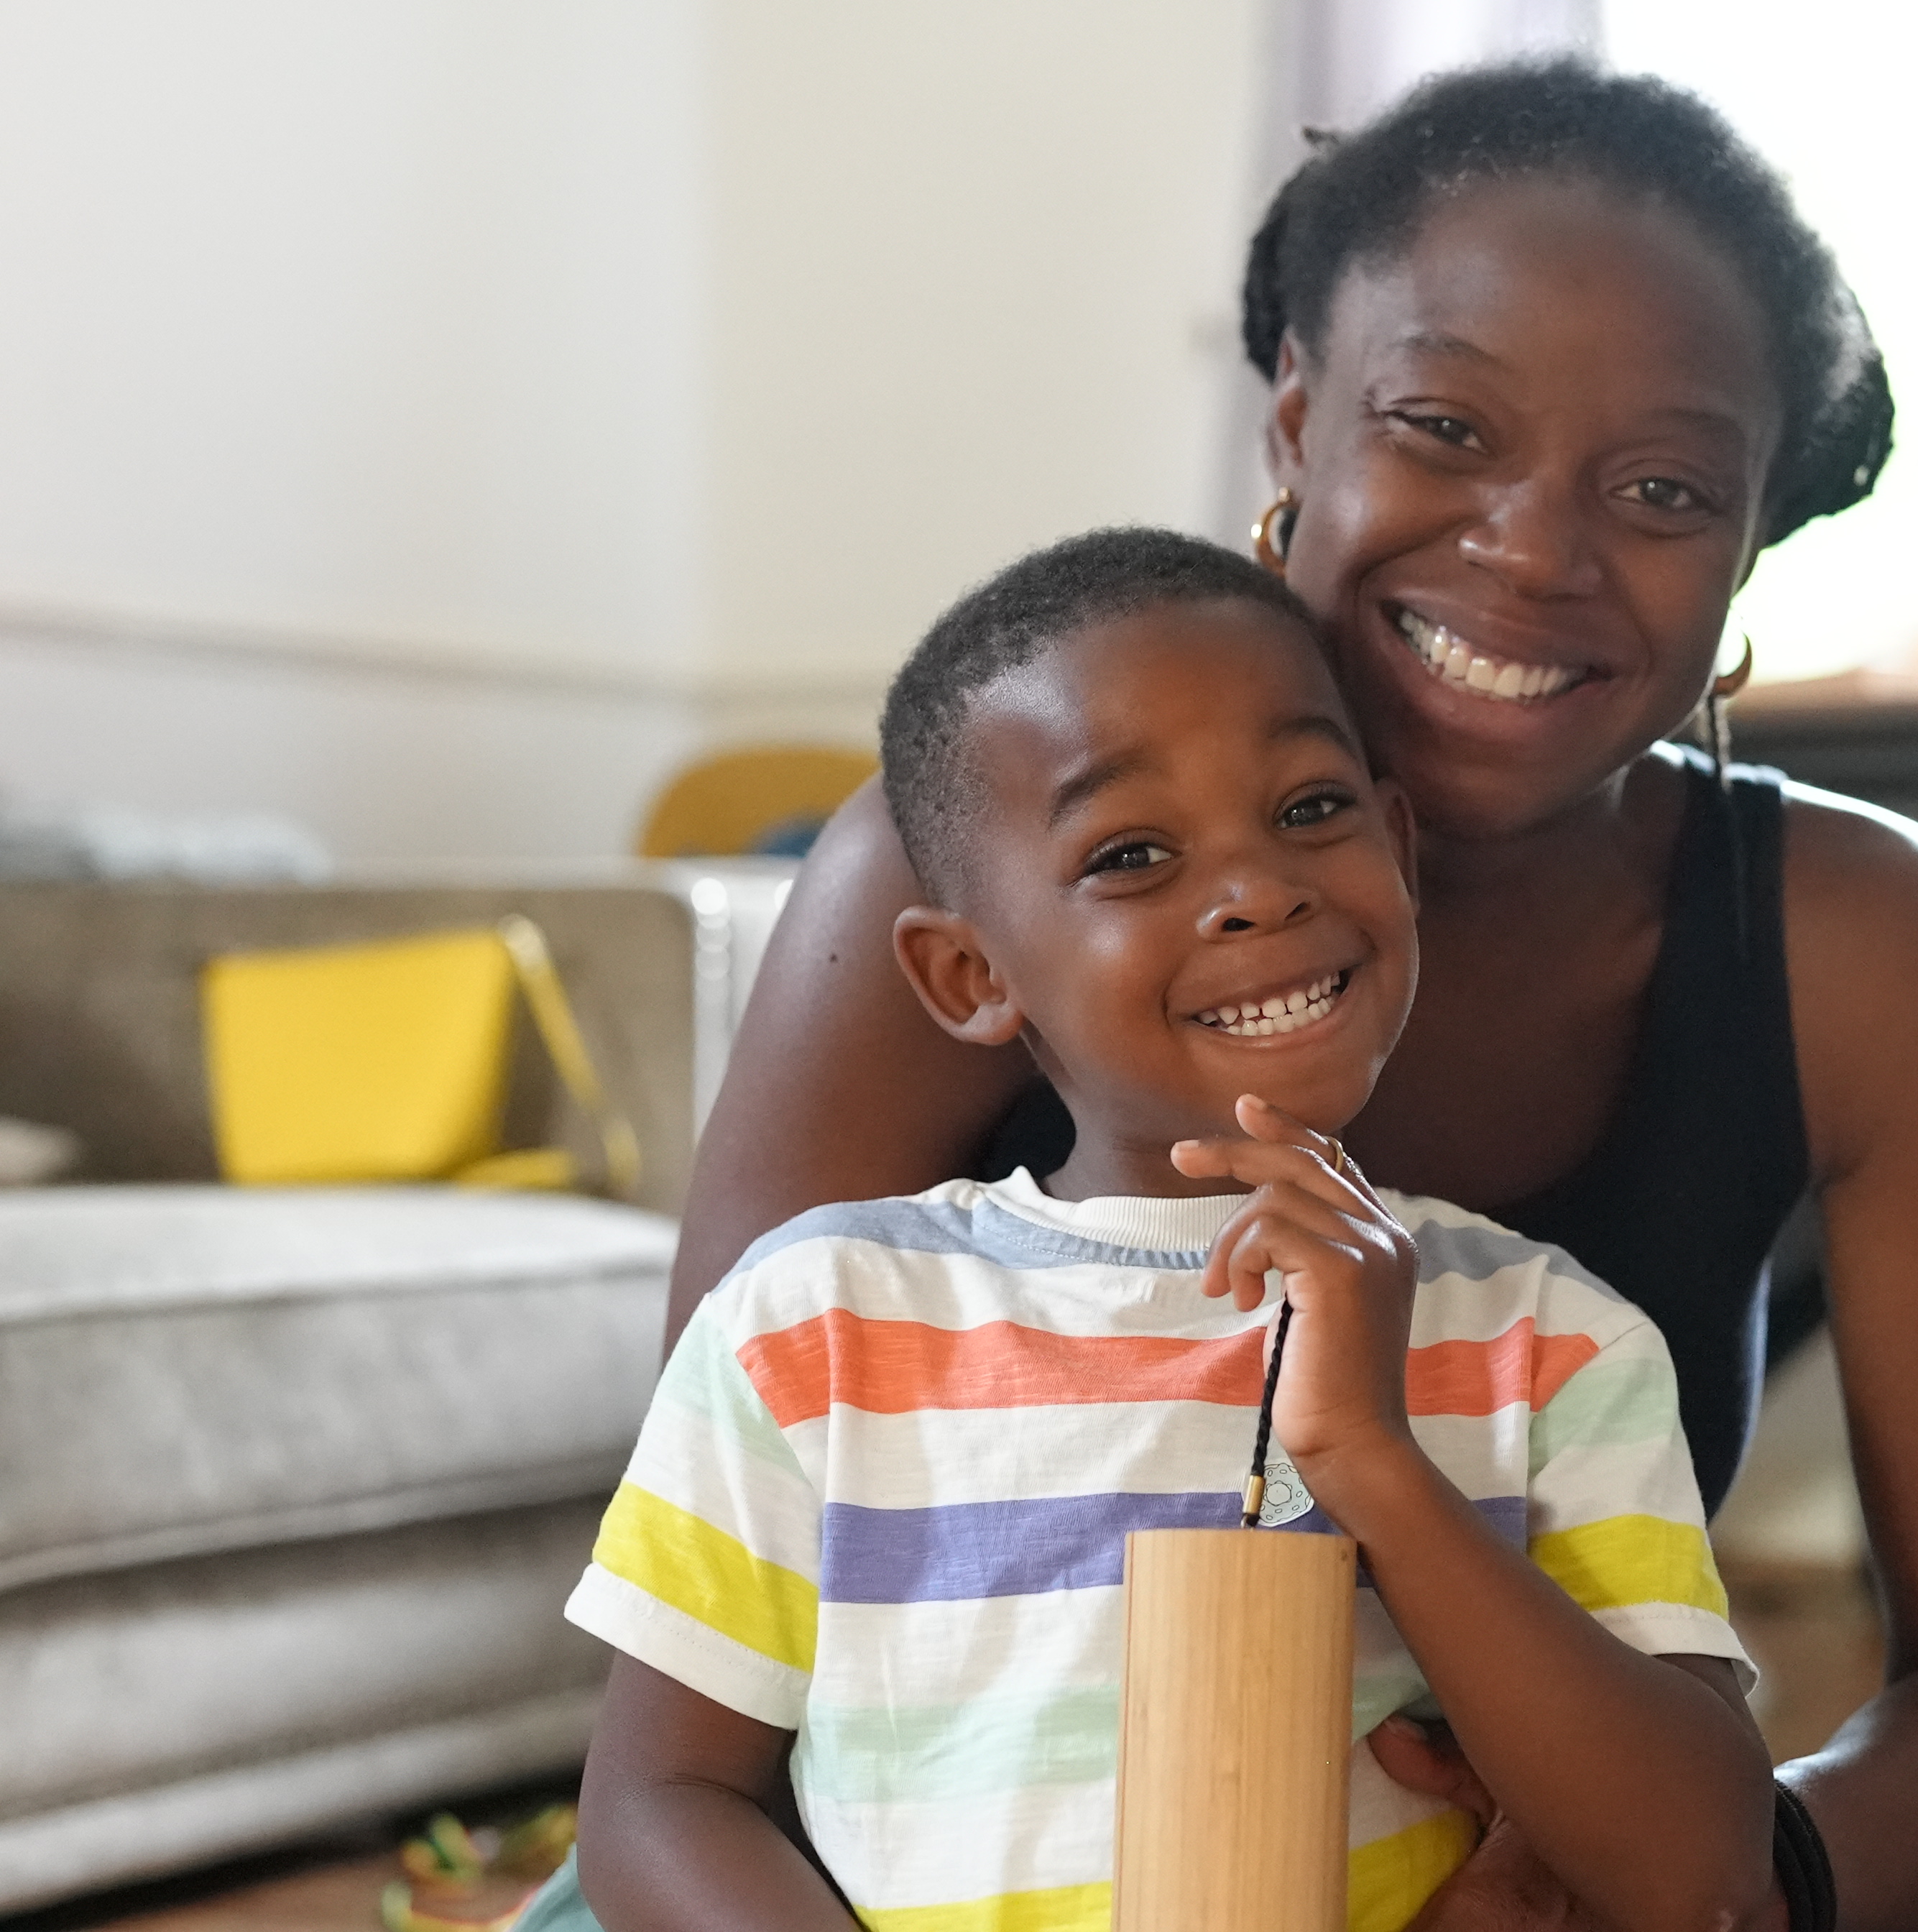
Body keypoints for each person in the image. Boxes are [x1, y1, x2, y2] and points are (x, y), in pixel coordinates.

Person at [527, 60, 1918, 1931]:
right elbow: (704, 1722)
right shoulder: (960, 864)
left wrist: (1696, 1885)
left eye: (1667, 489)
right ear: (1294, 426)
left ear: (1749, 558)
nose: (1534, 552)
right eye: (1446, 428)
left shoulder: (1856, 945)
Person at [566, 530, 1782, 1932]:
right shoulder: (815, 1326)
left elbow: (1698, 1873)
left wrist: (1374, 1464)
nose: (1259, 887)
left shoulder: (1551, 1341)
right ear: (969, 973)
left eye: (1312, 807)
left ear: (1397, 846)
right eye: (1132, 853)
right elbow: (661, 1802)